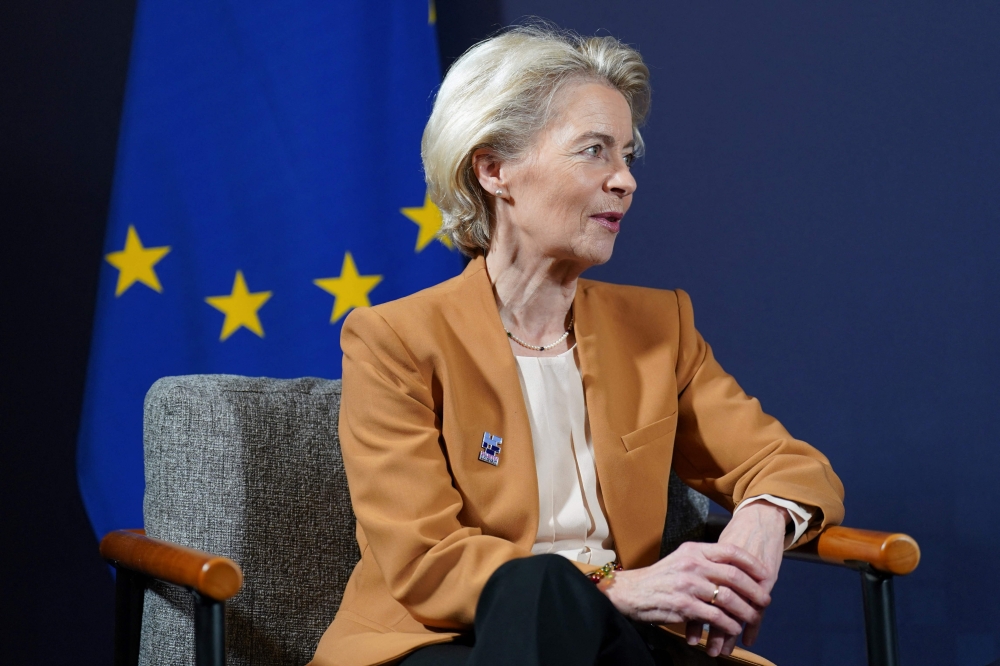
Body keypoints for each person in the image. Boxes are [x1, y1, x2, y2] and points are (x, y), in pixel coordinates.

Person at [311, 24, 844, 666]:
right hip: (445, 641)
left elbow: (792, 466)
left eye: (626, 155)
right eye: (593, 151)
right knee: (542, 595)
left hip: (619, 640)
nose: (624, 181)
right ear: (494, 169)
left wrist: (760, 522)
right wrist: (619, 586)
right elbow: (428, 561)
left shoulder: (657, 328)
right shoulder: (394, 339)